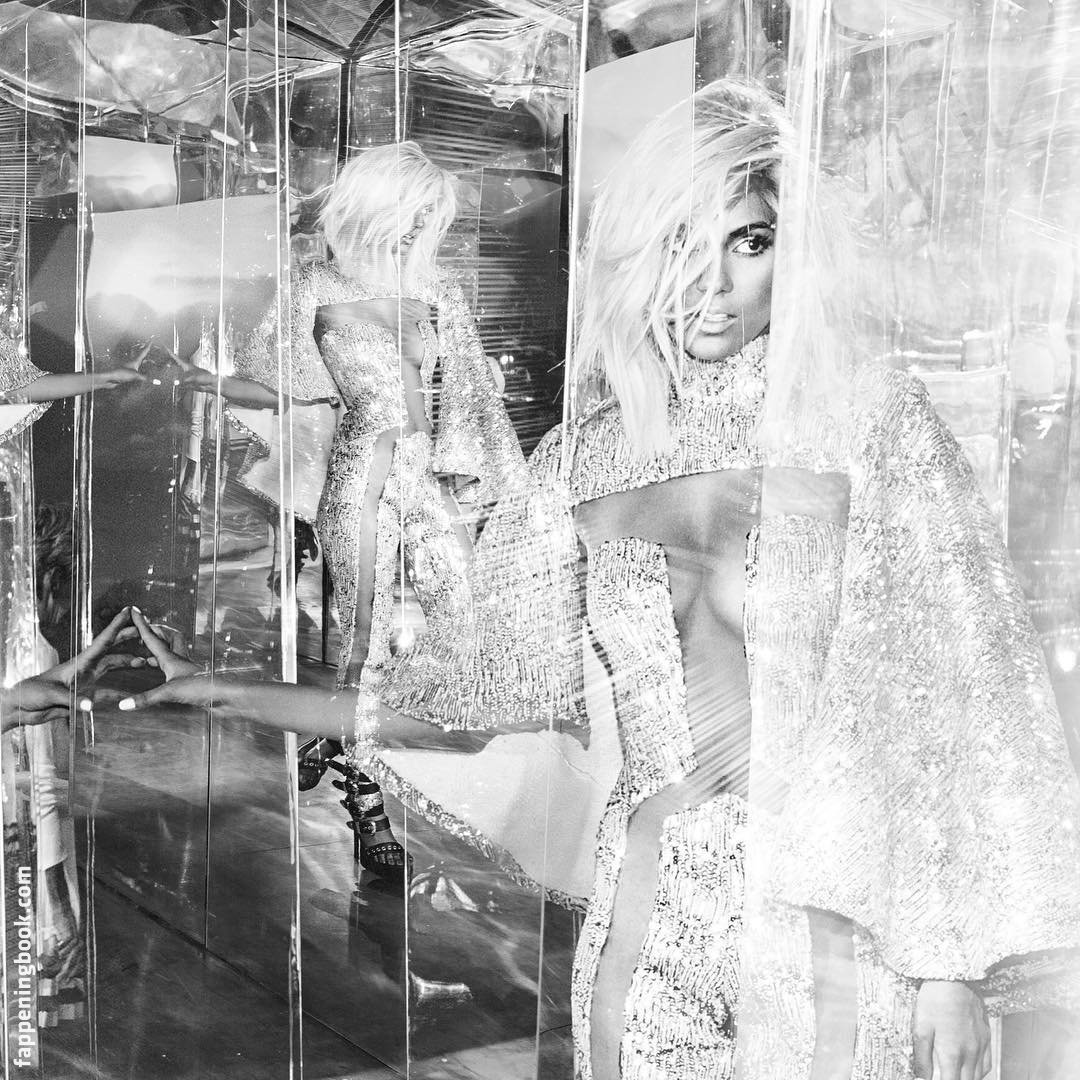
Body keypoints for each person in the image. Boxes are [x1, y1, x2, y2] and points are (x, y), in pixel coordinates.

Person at [117, 79, 1080, 1080]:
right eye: (679, 241)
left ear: (795, 253)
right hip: (647, 925)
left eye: (749, 241)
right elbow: (462, 701)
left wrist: (947, 967)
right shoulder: (588, 456)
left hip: (831, 939)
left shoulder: (869, 421)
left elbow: (958, 698)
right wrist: (217, 690)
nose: (710, 282)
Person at [180, 142, 526, 879]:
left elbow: (471, 393)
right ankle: (368, 809)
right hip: (359, 480)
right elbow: (279, 385)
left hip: (429, 481)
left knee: (469, 634)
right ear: (376, 207)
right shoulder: (312, 285)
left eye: (431, 216)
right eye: (414, 211)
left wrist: (486, 490)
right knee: (361, 648)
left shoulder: (441, 287)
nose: (422, 227)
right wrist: (205, 385)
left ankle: (333, 733)